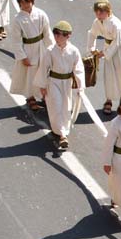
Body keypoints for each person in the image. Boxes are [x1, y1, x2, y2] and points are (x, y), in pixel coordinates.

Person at [35, 20, 85, 150]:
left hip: (67, 83)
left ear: (68, 36)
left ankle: (62, 130)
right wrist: (42, 85)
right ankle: (62, 135)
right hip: (54, 82)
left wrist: (80, 86)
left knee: (66, 107)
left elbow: (78, 68)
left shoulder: (74, 51)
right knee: (55, 106)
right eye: (55, 33)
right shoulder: (50, 50)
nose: (56, 36)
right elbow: (43, 68)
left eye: (60, 34)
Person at [9, 0, 54, 112]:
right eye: (22, 2)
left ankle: (43, 95)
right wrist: (22, 56)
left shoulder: (40, 14)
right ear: (19, 4)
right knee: (30, 74)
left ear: (32, 1)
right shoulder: (17, 20)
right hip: (28, 49)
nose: (25, 5)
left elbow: (47, 33)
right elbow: (16, 40)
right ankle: (30, 97)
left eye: (28, 2)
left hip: (40, 47)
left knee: (43, 71)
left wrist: (52, 48)